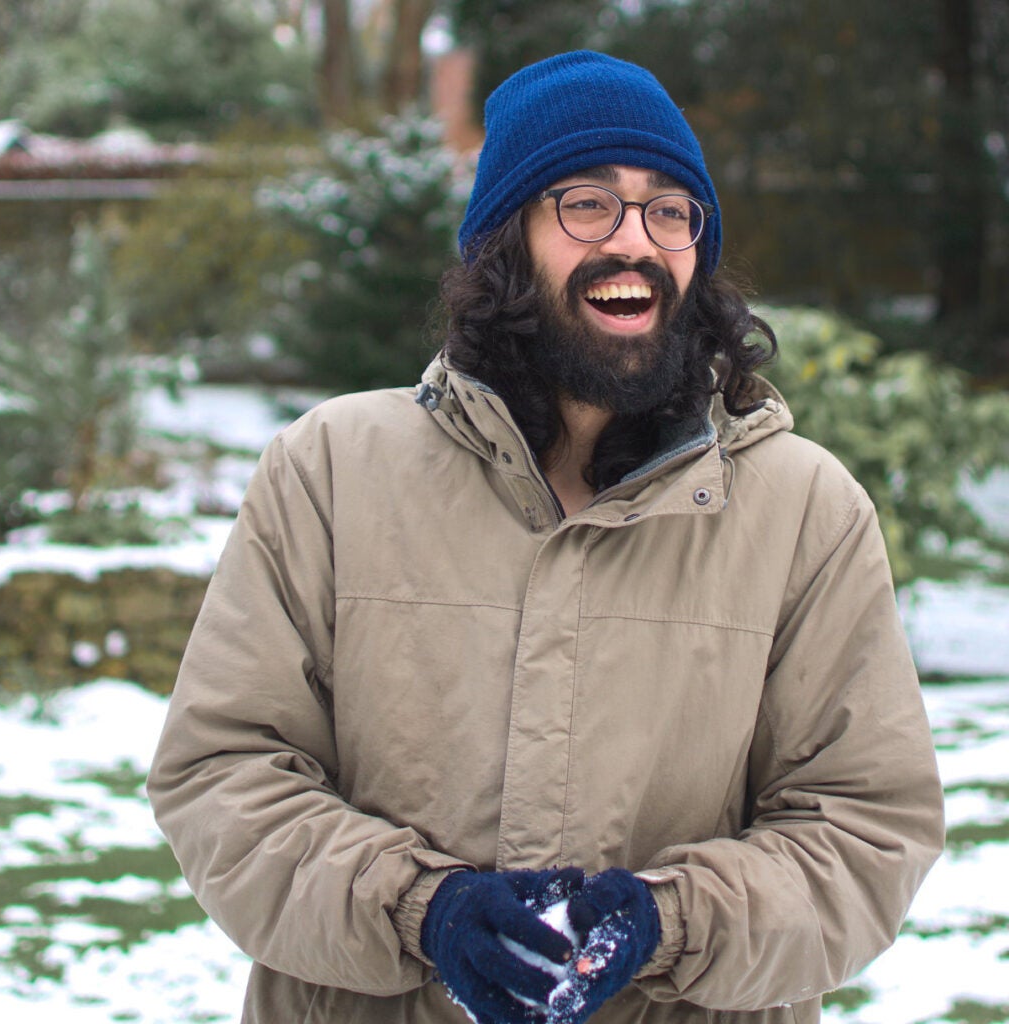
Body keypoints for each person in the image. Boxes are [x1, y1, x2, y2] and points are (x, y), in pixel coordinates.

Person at [148, 50, 944, 1024]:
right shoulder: (331, 471)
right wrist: (418, 909)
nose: (635, 242)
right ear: (505, 242)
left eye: (669, 210)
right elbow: (222, 773)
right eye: (586, 205)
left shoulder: (803, 511)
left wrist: (668, 922)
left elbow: (866, 828)